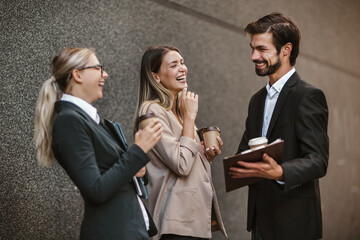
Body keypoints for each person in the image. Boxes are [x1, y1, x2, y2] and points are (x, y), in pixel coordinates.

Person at [33, 47, 163, 240]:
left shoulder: (91, 120)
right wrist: (138, 151)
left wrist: (137, 170)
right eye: (98, 68)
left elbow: (115, 175)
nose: (105, 75)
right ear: (77, 75)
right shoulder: (69, 121)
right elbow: (96, 189)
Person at [229, 13, 329, 240]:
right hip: (259, 222)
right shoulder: (256, 100)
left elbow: (318, 160)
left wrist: (280, 171)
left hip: (294, 224)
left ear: (286, 49)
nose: (254, 56)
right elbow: (244, 154)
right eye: (252, 48)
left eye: (262, 49)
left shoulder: (308, 96)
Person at [133, 45, 228, 240]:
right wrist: (190, 118)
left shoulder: (177, 111)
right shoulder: (151, 111)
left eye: (182, 63)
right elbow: (181, 164)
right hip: (175, 223)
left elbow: (185, 158)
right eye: (174, 65)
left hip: (193, 221)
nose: (183, 68)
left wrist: (205, 154)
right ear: (156, 77)